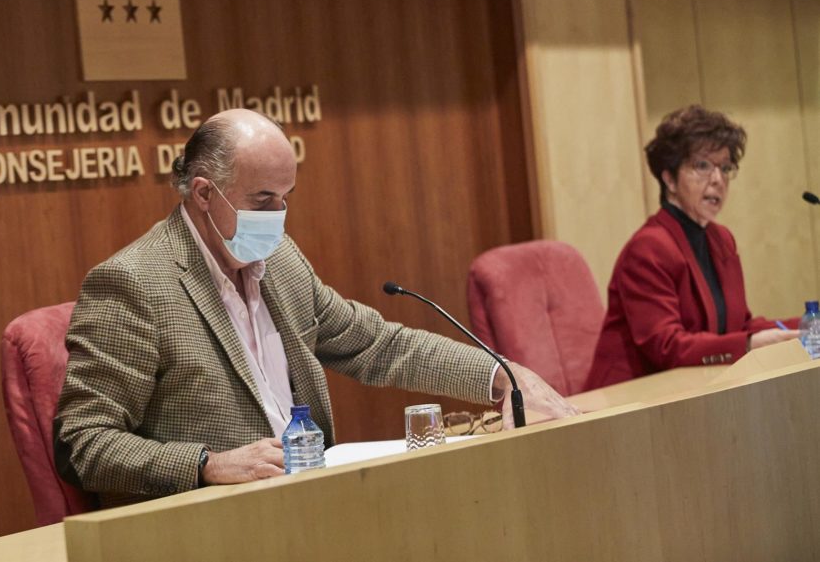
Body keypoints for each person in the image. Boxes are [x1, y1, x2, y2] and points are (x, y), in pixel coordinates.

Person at [54, 108, 579, 507]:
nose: (279, 216)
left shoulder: (280, 260)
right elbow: (83, 445)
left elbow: (376, 345)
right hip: (216, 523)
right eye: (263, 200)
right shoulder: (133, 284)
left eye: (287, 196)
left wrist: (497, 375)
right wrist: (207, 464)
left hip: (312, 500)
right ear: (204, 194)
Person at [585, 105, 801, 389]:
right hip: (627, 403)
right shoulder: (648, 248)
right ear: (669, 178)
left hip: (688, 392)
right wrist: (749, 343)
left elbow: (738, 326)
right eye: (702, 166)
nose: (717, 179)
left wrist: (808, 325)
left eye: (725, 168)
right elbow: (667, 346)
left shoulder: (721, 239)